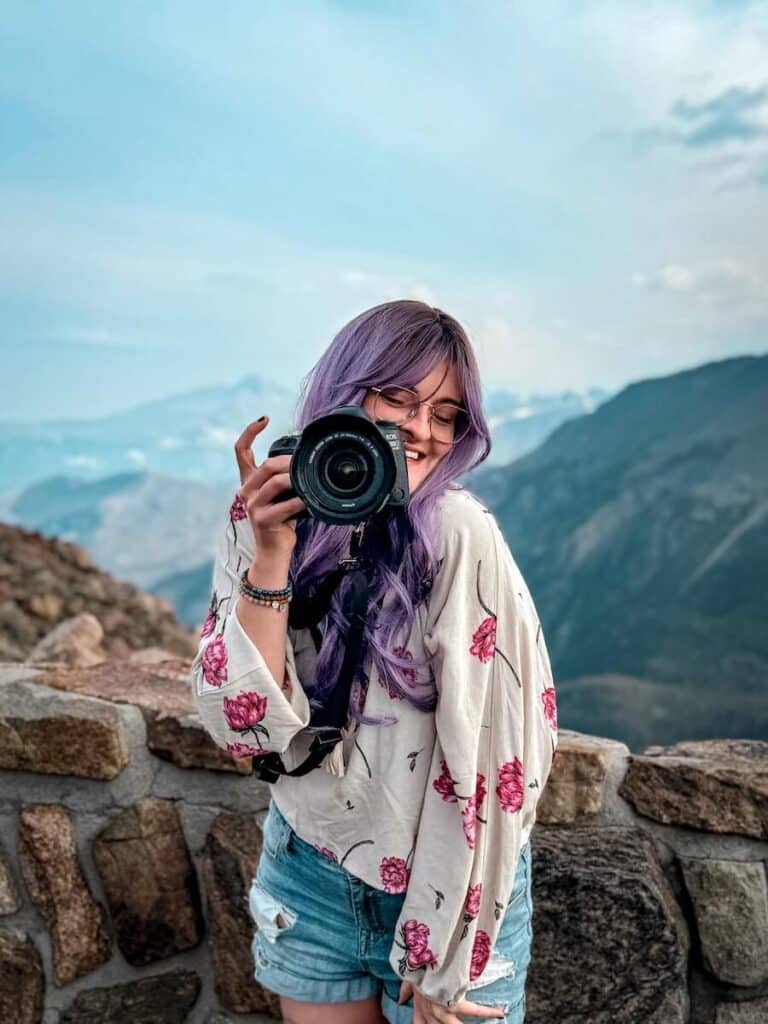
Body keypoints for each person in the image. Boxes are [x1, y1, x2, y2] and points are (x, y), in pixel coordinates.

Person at [190, 300, 559, 1024]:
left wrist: (443, 947)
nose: (422, 429)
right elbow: (247, 735)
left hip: (449, 895)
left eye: (445, 413)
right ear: (344, 392)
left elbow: (500, 761)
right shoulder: (267, 512)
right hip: (310, 877)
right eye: (399, 397)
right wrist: (270, 554)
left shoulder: (459, 533)